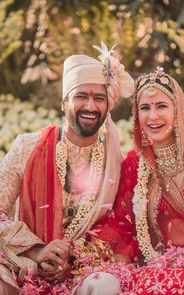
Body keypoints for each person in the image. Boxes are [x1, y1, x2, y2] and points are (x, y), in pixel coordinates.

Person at [81, 67, 184, 294]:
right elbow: (123, 224)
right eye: (145, 108)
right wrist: (88, 248)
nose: (153, 117)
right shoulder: (135, 164)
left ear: (179, 110)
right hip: (155, 267)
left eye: (161, 106)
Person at [0, 42, 134, 294]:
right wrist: (36, 250)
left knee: (105, 285)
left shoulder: (115, 165)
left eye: (99, 98)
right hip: (23, 264)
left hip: (80, 271)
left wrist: (72, 257)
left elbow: (119, 230)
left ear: (108, 106)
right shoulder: (27, 147)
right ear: (64, 102)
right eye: (81, 96)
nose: (91, 107)